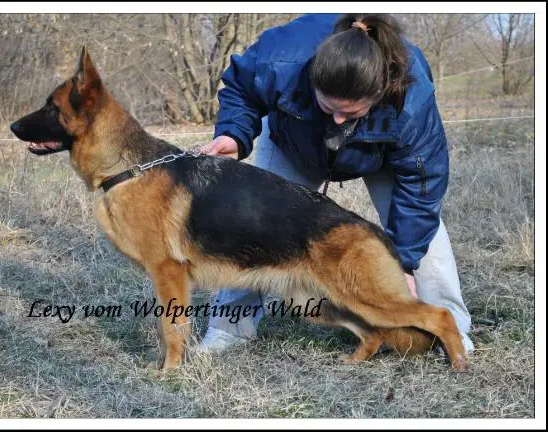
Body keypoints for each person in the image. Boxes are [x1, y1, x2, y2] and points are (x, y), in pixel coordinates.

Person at [194, 13, 474, 354]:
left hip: (382, 151)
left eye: (350, 113)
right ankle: (229, 329)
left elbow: (421, 188)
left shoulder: (412, 102)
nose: (338, 120)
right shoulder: (280, 58)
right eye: (329, 107)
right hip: (294, 142)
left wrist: (403, 263)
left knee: (424, 238)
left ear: (380, 93)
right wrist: (233, 133)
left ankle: (453, 331)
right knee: (255, 227)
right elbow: (240, 87)